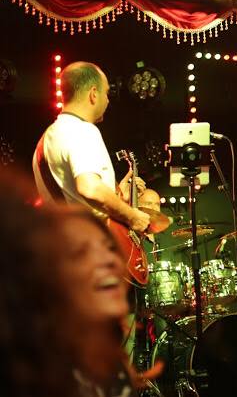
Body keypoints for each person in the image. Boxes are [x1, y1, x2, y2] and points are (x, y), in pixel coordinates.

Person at [0, 170, 134, 397]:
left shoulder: (111, 369)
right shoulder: (28, 377)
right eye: (80, 252)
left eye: (110, 247)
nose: (109, 259)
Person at [32, 61, 149, 233]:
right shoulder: (82, 130)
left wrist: (116, 195)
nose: (107, 100)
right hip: (88, 242)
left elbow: (73, 197)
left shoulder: (46, 139)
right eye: (106, 93)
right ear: (94, 94)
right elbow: (90, 188)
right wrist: (132, 216)